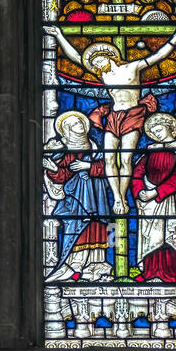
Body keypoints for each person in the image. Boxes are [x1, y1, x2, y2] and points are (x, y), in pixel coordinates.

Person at [49, 24, 176, 214]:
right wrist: (58, 35)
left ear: (109, 56)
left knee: (125, 159)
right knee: (108, 159)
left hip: (133, 115)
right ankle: (117, 197)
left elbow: (157, 56)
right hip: (114, 116)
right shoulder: (104, 75)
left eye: (97, 60)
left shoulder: (133, 67)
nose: (95, 65)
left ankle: (123, 197)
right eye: (93, 64)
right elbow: (75, 57)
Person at [43, 111, 111, 281]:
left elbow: (108, 167)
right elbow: (63, 176)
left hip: (97, 196)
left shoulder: (95, 147)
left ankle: (97, 265)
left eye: (80, 122)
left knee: (101, 228)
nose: (80, 126)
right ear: (66, 130)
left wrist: (88, 166)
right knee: (76, 227)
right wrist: (53, 169)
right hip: (76, 199)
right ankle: (75, 265)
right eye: (74, 124)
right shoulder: (65, 151)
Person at [131, 113, 176, 282]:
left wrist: (157, 192)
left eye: (159, 130)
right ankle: (149, 272)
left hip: (169, 200)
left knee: (168, 234)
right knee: (150, 237)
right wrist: (140, 192)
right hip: (148, 203)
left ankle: (173, 272)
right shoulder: (150, 151)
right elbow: (137, 173)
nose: (157, 134)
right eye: (153, 132)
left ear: (169, 128)